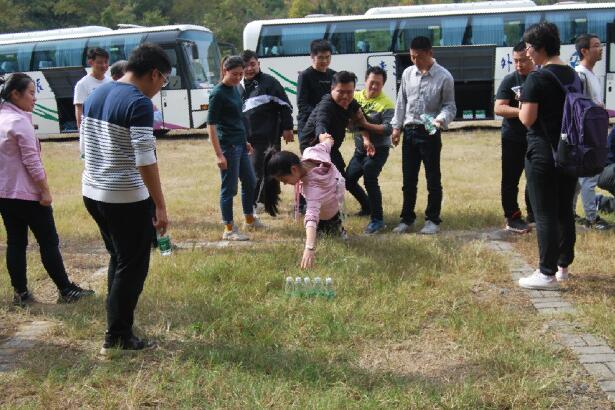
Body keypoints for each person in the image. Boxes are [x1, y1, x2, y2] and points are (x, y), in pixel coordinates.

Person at [80, 44, 170, 353]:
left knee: (119, 259)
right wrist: (160, 205)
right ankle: (117, 336)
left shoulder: (97, 94)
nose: (160, 87)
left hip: (93, 191)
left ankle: (117, 325)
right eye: (164, 81)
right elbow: (145, 157)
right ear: (154, 74)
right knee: (132, 266)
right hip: (124, 196)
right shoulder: (139, 102)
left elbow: (84, 146)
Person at [0, 73, 94, 305]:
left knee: (16, 243)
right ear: (15, 94)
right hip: (28, 195)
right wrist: (45, 191)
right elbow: (32, 162)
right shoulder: (19, 121)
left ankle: (21, 293)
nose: (35, 98)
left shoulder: (2, 117)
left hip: (5, 194)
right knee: (48, 242)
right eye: (31, 93)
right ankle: (65, 290)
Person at [517, 22, 578, 289]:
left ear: (540, 48)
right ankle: (563, 266)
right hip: (570, 152)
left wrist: (521, 103)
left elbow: (527, 119)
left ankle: (546, 273)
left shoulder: (537, 78)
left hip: (543, 152)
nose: (527, 53)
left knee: (544, 214)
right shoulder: (573, 75)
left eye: (529, 47)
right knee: (565, 209)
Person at [390, 36, 456, 235]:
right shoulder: (408, 73)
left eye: (419, 57)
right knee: (408, 180)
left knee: (432, 178)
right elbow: (401, 102)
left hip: (429, 132)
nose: (415, 61)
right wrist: (396, 128)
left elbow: (450, 106)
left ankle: (432, 220)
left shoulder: (444, 77)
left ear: (430, 53)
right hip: (409, 132)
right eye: (412, 57)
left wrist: (440, 120)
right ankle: (407, 219)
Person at [262, 134, 345, 269]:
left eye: (284, 180)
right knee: (328, 225)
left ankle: (336, 228)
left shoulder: (313, 188)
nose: (284, 184)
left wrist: (309, 248)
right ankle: (334, 226)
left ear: (294, 169)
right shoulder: (310, 152)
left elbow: (311, 218)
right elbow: (325, 145)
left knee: (328, 228)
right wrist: (326, 139)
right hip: (334, 197)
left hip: (328, 210)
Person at [301, 71, 379, 212]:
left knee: (341, 178)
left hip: (331, 146)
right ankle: (307, 208)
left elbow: (360, 121)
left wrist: (367, 139)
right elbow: (321, 122)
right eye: (341, 92)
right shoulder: (326, 105)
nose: (345, 96)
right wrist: (323, 136)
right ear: (332, 89)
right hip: (313, 146)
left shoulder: (351, 103)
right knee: (318, 179)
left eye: (349, 92)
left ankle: (367, 207)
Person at [207, 56, 259, 241]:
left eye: (241, 74)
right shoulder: (218, 93)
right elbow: (211, 125)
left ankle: (249, 219)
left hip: (240, 144)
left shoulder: (236, 89)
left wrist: (245, 141)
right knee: (229, 189)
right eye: (234, 74)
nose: (238, 77)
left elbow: (238, 119)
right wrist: (219, 154)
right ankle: (228, 229)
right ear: (225, 71)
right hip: (228, 147)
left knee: (250, 181)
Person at [239, 50, 294, 213]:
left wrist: (287, 127)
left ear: (258, 64)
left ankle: (256, 203)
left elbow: (285, 106)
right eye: (245, 66)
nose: (249, 68)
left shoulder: (270, 83)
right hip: (245, 137)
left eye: (252, 64)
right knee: (261, 170)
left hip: (266, 136)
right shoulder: (238, 85)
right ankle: (269, 199)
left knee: (258, 170)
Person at [345, 66, 395, 234]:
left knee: (369, 178)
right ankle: (367, 207)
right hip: (361, 149)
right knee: (348, 180)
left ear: (383, 85)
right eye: (371, 82)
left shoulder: (387, 104)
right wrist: (364, 135)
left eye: (378, 84)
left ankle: (377, 220)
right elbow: (352, 121)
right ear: (365, 80)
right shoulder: (355, 96)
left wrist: (365, 125)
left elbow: (388, 129)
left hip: (379, 149)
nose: (374, 86)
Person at [494, 41, 535, 233]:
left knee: (535, 177)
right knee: (510, 179)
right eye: (516, 61)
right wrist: (522, 111)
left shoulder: (540, 78)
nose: (519, 65)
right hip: (513, 137)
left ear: (532, 57)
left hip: (536, 137)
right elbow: (498, 108)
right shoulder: (510, 80)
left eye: (523, 60)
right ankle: (512, 217)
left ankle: (534, 214)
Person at [572, 34, 610, 230]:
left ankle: (570, 213)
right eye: (596, 45)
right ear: (584, 51)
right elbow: (576, 105)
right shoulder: (580, 75)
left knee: (578, 178)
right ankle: (592, 219)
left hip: (593, 131)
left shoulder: (591, 74)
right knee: (589, 177)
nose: (601, 48)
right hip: (586, 135)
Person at [74, 48, 110, 130]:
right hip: (92, 129)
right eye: (100, 62)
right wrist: (81, 130)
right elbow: (79, 109)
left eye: (106, 62)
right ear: (90, 62)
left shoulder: (111, 81)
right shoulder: (82, 84)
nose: (104, 65)